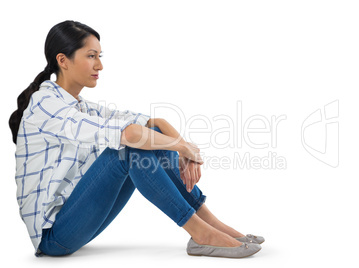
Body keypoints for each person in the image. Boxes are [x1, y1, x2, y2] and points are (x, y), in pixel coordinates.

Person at [9, 20, 264, 258]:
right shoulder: (45, 103)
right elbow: (130, 135)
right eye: (91, 56)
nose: (99, 65)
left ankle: (209, 223)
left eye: (99, 56)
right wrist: (183, 147)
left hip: (80, 220)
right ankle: (201, 233)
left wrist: (185, 150)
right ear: (63, 60)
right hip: (54, 236)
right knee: (131, 147)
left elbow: (155, 123)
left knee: (152, 137)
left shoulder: (83, 107)